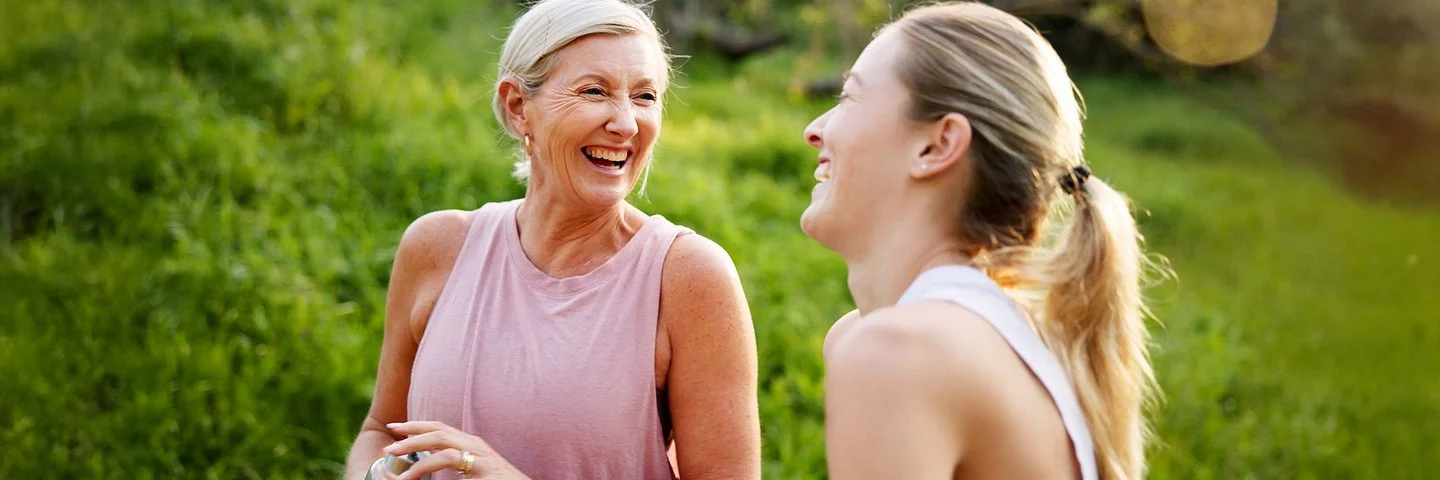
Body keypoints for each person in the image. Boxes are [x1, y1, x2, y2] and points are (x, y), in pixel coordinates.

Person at [343, 1, 761, 479]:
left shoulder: (689, 277)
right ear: (520, 107)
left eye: (645, 97)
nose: (626, 123)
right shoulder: (436, 246)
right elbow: (381, 429)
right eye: (594, 91)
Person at [801, 2, 1159, 480]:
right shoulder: (1008, 341)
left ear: (937, 145)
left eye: (849, 98)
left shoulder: (899, 352)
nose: (814, 130)